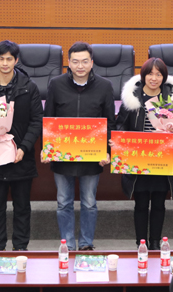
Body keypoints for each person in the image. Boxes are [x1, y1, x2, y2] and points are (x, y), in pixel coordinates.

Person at [44, 42, 115, 251]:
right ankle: (67, 244)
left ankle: (85, 244)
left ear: (92, 62)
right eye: (75, 61)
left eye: (84, 61)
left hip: (91, 156)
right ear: (68, 62)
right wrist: (46, 148)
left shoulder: (104, 86)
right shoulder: (56, 84)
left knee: (89, 202)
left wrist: (107, 151)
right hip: (62, 156)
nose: (80, 66)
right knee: (63, 202)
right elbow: (48, 119)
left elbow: (110, 122)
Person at [0, 40, 43, 251]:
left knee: (22, 207)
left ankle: (21, 247)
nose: (5, 63)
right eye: (1, 59)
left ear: (16, 60)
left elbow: (37, 121)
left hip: (21, 156)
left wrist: (23, 147)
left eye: (9, 59)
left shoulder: (29, 88)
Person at [114, 58, 173, 250]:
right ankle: (141, 243)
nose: (154, 78)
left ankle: (155, 243)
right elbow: (120, 125)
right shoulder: (132, 98)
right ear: (143, 75)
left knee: (159, 204)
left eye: (158, 74)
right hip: (139, 158)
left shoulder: (170, 98)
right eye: (150, 74)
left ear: (164, 77)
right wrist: (119, 140)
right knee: (141, 204)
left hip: (162, 158)